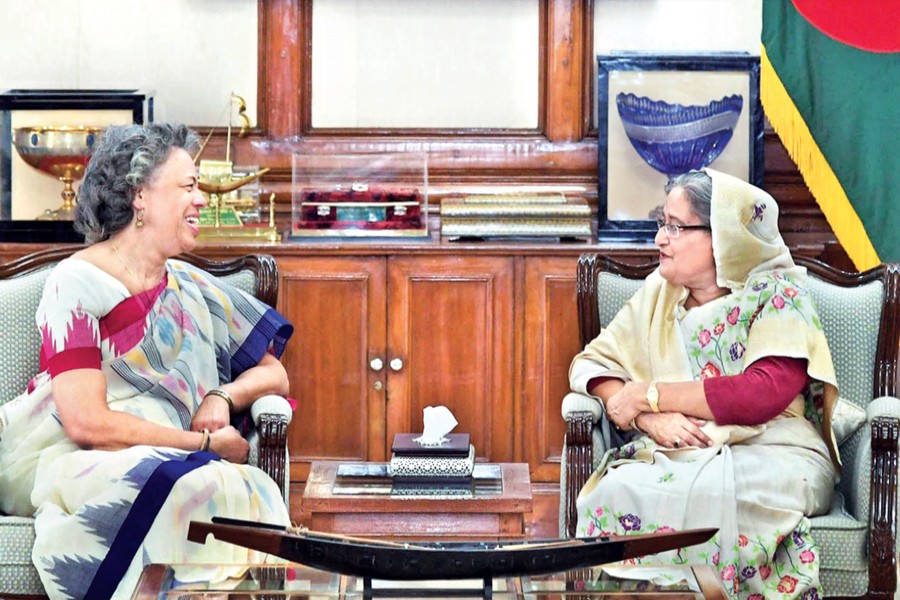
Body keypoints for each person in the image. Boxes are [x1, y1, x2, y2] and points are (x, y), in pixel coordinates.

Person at [0, 123, 294, 600]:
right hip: (76, 457)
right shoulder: (75, 283)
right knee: (187, 488)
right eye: (188, 186)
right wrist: (203, 443)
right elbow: (86, 424)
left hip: (171, 457)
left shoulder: (189, 285)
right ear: (140, 196)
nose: (201, 199)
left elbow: (274, 373)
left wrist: (222, 396)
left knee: (253, 493)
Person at [567, 169, 839, 599]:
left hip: (774, 450)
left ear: (722, 237)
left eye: (675, 227)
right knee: (617, 490)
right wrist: (650, 419)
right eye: (662, 223)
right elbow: (592, 363)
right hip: (679, 450)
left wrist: (649, 395)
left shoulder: (777, 293)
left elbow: (760, 394)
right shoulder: (658, 293)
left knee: (718, 491)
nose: (660, 239)